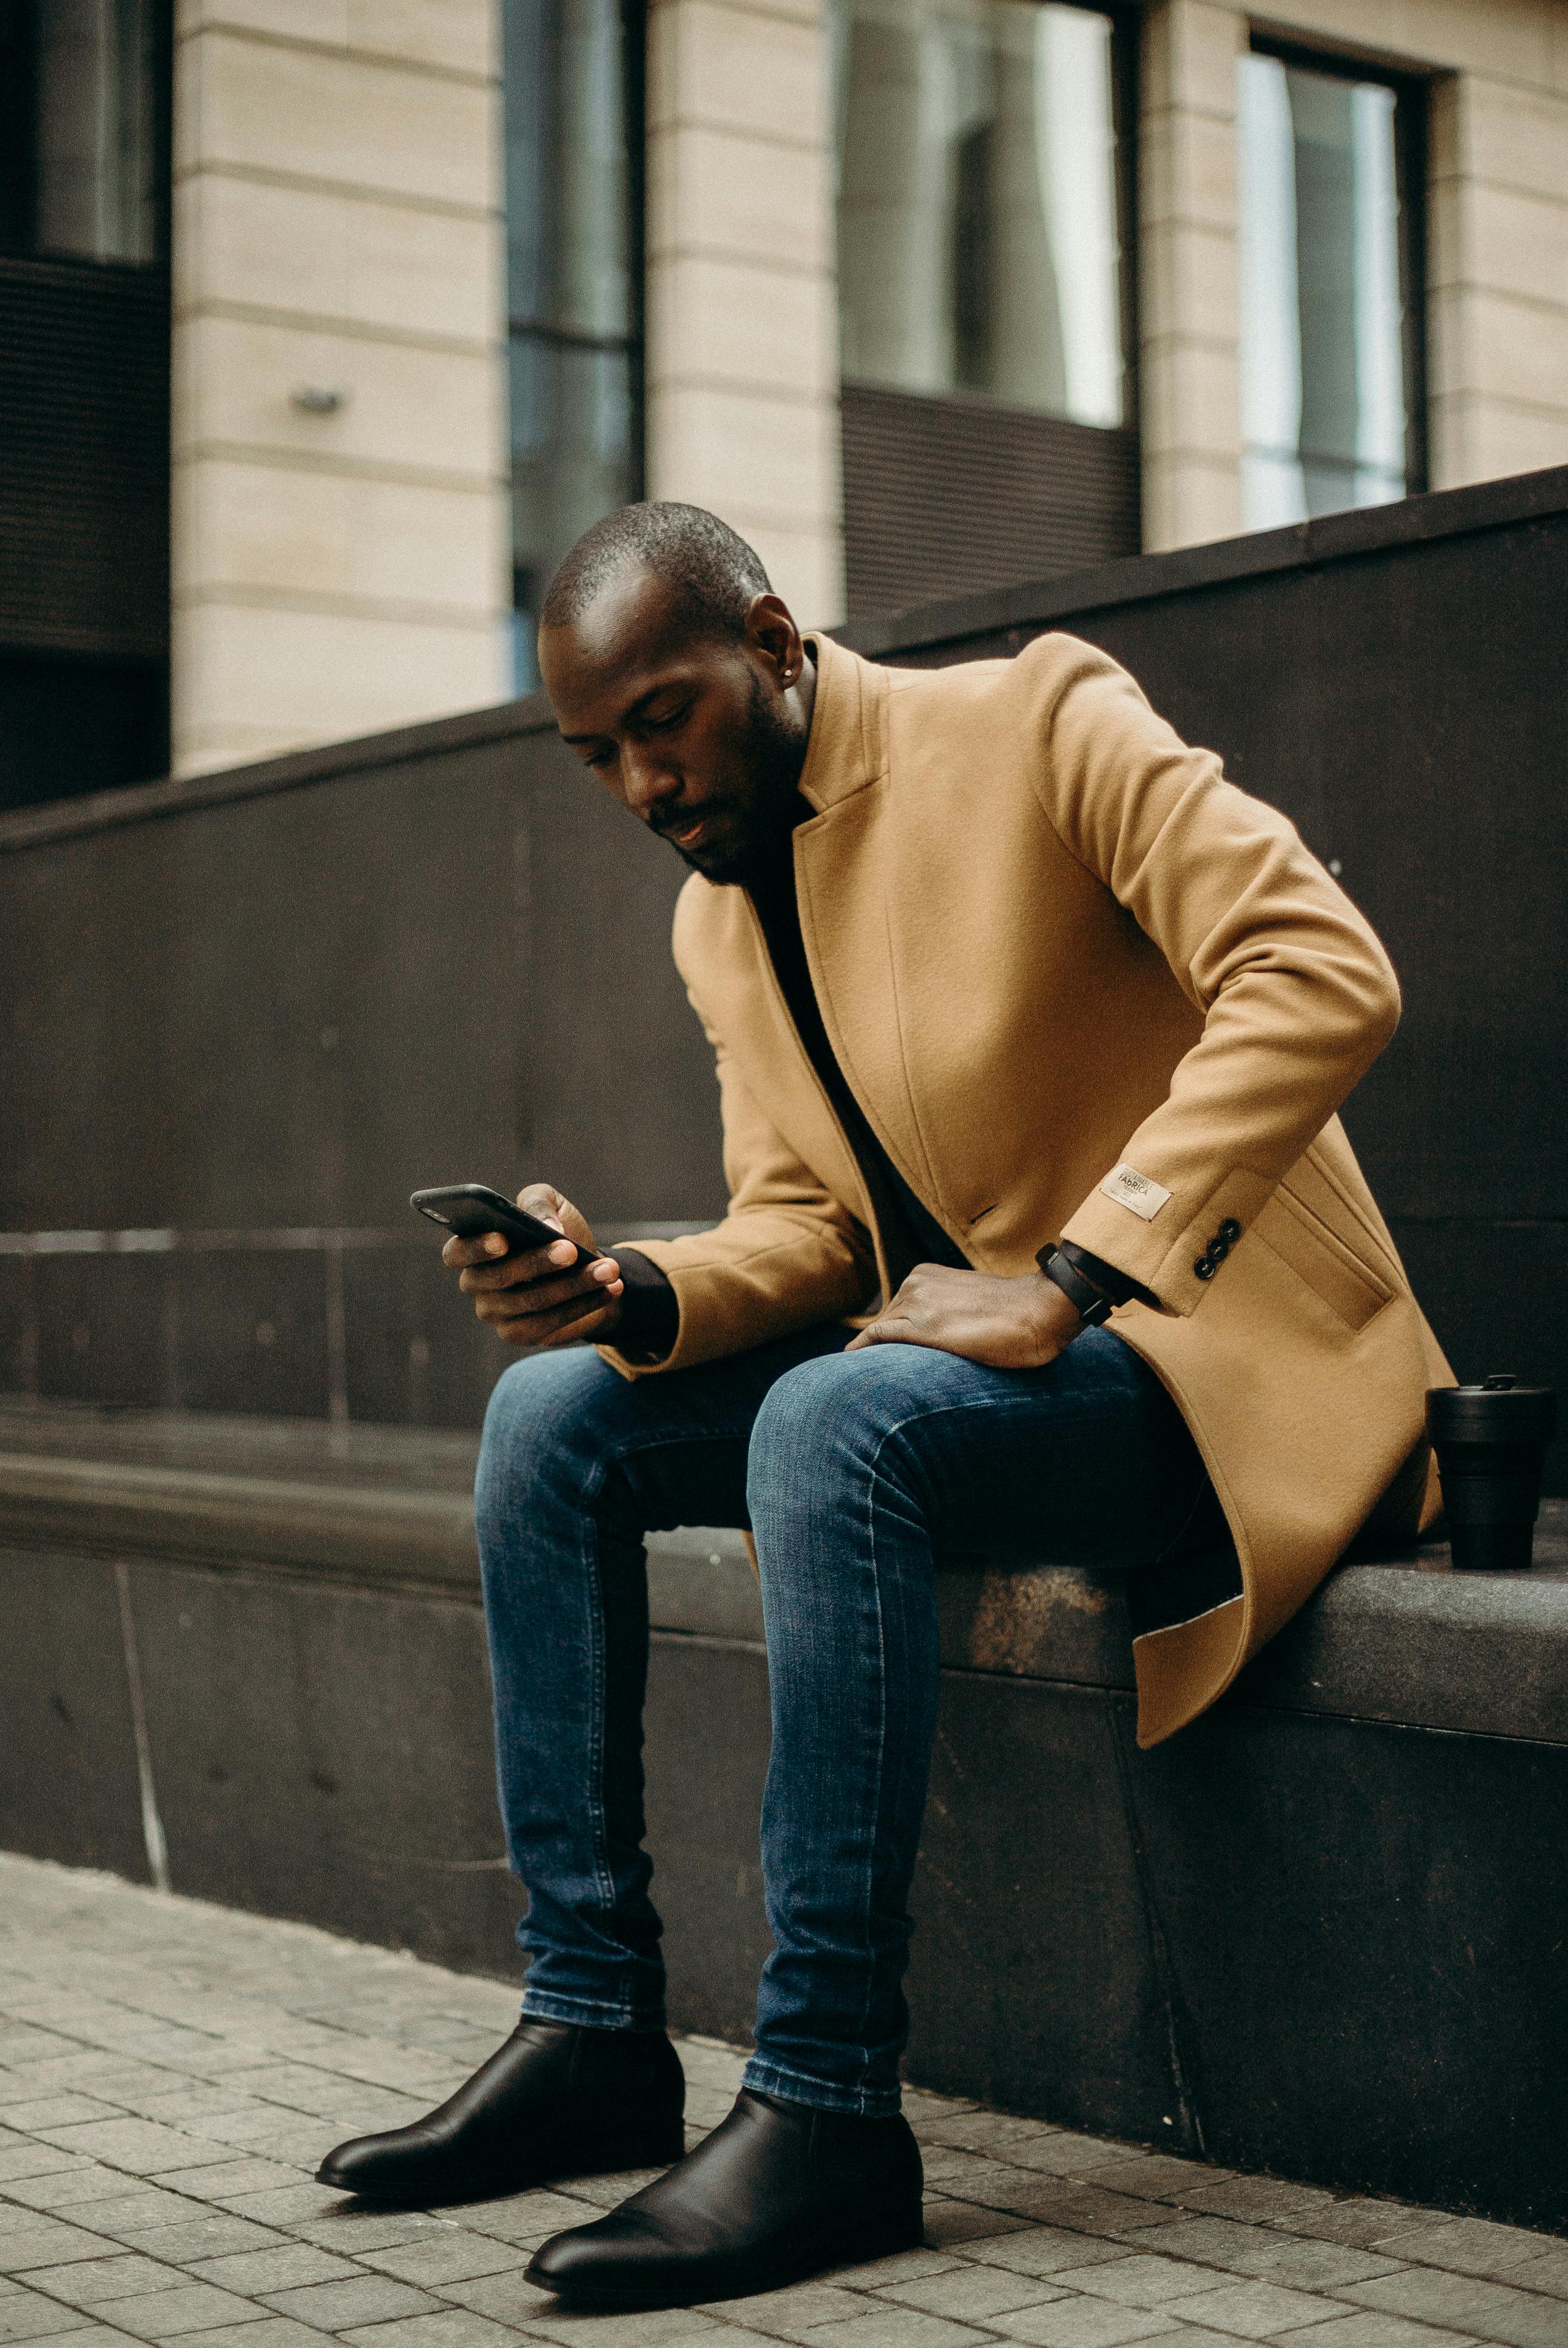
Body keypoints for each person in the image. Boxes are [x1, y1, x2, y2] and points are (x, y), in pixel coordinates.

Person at [316, 502, 1447, 2307]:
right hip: (968, 1382)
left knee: (826, 1427)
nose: (636, 781)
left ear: (768, 644)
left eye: (660, 718)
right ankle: (593, 2024)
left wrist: (1079, 1270)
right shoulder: (721, 918)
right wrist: (633, 1293)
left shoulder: (1042, 722)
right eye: (594, 751)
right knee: (554, 1415)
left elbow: (1324, 968)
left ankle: (830, 2102)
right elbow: (810, 1225)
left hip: (1208, 1369)